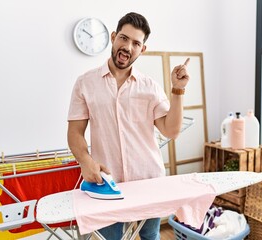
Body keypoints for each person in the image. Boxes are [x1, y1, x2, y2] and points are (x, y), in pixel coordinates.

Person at [67, 12, 190, 240]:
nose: (128, 47)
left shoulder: (150, 87)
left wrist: (178, 89)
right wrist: (86, 162)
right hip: (107, 185)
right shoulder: (85, 83)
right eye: (124, 38)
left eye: (136, 43)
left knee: (150, 236)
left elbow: (171, 131)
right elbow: (75, 133)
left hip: (148, 182)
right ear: (113, 37)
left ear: (142, 49)